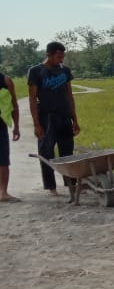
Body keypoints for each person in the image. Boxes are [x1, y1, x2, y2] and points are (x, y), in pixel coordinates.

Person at [27, 42, 79, 195]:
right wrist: (36, 124)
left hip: (64, 116)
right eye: (58, 56)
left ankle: (71, 184)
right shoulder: (36, 71)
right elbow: (32, 99)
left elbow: (69, 96)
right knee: (46, 152)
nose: (61, 60)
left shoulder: (65, 71)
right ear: (49, 54)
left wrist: (75, 119)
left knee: (67, 152)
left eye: (63, 56)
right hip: (46, 117)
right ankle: (51, 187)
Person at [0, 72, 20, 202]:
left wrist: (16, 126)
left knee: (3, 160)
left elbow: (14, 105)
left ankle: (3, 193)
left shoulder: (6, 80)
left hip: (0, 126)